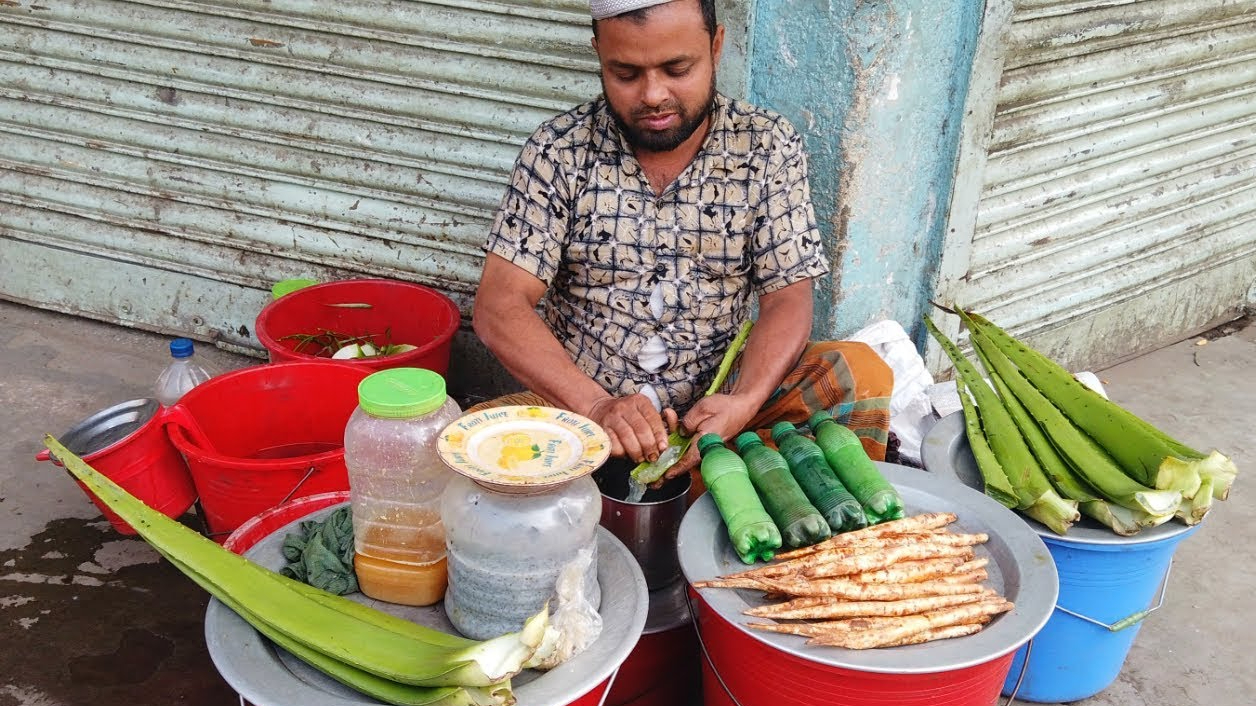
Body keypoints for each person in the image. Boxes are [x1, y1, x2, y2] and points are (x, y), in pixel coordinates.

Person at [471, 0, 893, 484]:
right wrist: (596, 405)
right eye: (625, 73)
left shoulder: (767, 146)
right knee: (452, 449)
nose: (653, 95)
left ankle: (729, 491)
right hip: (585, 417)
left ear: (716, 46)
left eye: (677, 68)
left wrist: (744, 401)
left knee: (859, 375)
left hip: (721, 416)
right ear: (598, 55)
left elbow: (787, 297)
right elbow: (500, 306)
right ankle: (701, 494)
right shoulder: (558, 151)